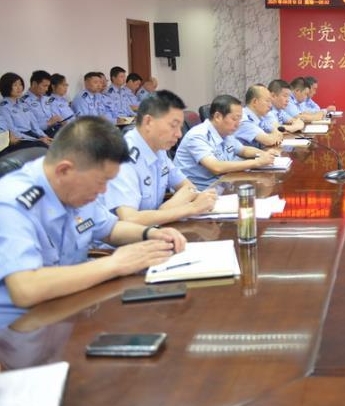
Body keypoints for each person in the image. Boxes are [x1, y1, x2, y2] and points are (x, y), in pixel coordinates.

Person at [0, 116, 186, 325]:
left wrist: (151, 233)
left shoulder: (75, 188)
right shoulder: (11, 202)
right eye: (100, 181)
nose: (104, 191)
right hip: (21, 329)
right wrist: (115, 264)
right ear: (64, 170)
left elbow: (110, 229)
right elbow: (25, 289)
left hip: (72, 308)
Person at [102, 90, 217, 226]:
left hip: (152, 230)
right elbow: (130, 219)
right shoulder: (123, 157)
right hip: (118, 238)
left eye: (180, 127)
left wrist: (164, 210)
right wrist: (191, 208)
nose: (179, 134)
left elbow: (188, 187)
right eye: (173, 126)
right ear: (148, 122)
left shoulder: (158, 148)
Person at [174, 94, 280, 190]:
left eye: (239, 119)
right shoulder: (198, 135)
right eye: (234, 119)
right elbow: (216, 167)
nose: (238, 124)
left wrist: (263, 154)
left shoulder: (225, 132)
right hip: (199, 192)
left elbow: (243, 150)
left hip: (222, 184)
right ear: (218, 117)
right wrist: (257, 162)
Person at [0, 72, 52, 147]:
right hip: (20, 140)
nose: (19, 88)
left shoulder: (23, 103)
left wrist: (44, 136)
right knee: (44, 148)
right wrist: (37, 140)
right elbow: (13, 132)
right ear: (6, 87)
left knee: (52, 144)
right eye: (15, 85)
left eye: (20, 84)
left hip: (31, 136)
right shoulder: (4, 108)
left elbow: (34, 125)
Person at [234, 83, 283, 148]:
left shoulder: (261, 117)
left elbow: (278, 132)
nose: (270, 105)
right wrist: (272, 136)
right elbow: (269, 141)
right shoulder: (242, 118)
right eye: (267, 101)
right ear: (255, 101)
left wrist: (274, 135)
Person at [20, 70, 62, 136]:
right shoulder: (24, 102)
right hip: (41, 134)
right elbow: (29, 127)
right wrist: (48, 123)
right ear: (34, 84)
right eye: (44, 86)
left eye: (48, 86)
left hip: (55, 129)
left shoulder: (46, 99)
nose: (47, 89)